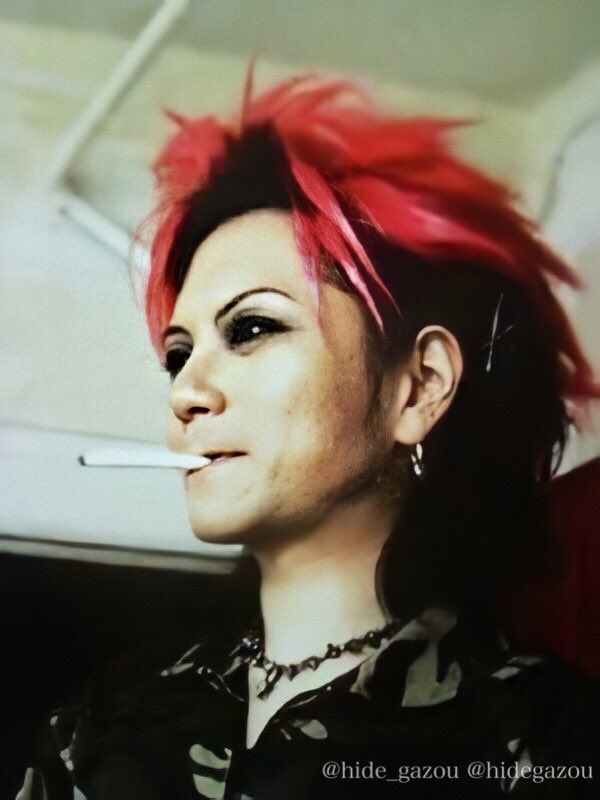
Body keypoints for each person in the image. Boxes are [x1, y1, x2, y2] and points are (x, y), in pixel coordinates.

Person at [20, 73, 600, 799]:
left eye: (252, 328)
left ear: (419, 387)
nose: (186, 393)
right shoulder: (94, 730)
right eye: (178, 354)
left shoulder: (550, 744)